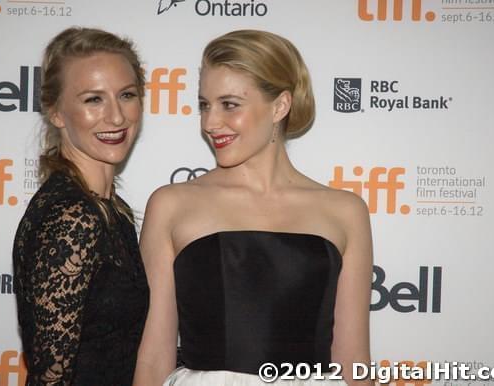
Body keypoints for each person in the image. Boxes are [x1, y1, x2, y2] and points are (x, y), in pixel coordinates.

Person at [133, 29, 373, 386]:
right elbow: (154, 356)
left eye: (229, 104)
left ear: (280, 106)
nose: (210, 123)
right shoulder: (171, 205)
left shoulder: (345, 211)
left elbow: (354, 361)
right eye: (204, 105)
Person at [13, 27, 149, 385]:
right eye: (93, 100)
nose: (117, 117)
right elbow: (52, 377)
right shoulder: (73, 218)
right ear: (56, 112)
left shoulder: (111, 209)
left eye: (127, 95)